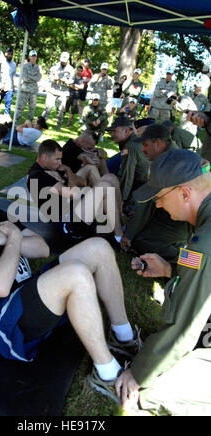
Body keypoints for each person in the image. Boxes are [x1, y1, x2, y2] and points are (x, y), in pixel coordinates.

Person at [0, 155, 141, 403]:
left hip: (27, 293)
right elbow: (0, 287)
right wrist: (13, 238)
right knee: (76, 273)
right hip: (2, 323)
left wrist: (7, 237)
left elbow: (42, 248)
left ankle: (124, 338)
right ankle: (107, 373)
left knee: (98, 246)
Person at [115, 149, 211, 416]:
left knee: (150, 389)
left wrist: (138, 373)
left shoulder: (204, 244)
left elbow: (184, 329)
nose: (157, 205)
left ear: (184, 193)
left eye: (159, 197)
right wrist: (170, 269)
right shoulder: (204, 229)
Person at [27, 139, 124, 242]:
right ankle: (120, 238)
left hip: (74, 208)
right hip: (68, 224)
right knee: (104, 186)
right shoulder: (37, 176)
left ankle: (119, 223)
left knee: (110, 178)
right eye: (57, 159)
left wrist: (68, 174)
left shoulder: (51, 168)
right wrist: (68, 172)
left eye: (60, 159)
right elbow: (74, 194)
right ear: (44, 157)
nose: (60, 162)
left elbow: (83, 182)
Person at [120, 124, 189, 261]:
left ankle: (184, 258)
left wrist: (128, 236)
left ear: (157, 143)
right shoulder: (171, 155)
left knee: (139, 239)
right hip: (178, 217)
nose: (143, 149)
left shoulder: (166, 165)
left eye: (145, 145)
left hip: (185, 222)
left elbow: (147, 205)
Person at [107, 117, 149, 212]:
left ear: (126, 131)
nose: (111, 134)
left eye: (114, 131)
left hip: (139, 190)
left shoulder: (129, 147)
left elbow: (127, 175)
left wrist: (120, 200)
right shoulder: (135, 142)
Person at [42, 52, 75, 130]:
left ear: (67, 60)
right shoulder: (55, 66)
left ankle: (58, 124)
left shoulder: (71, 69)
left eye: (65, 60)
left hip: (63, 91)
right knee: (48, 107)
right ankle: (42, 122)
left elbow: (72, 80)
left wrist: (65, 81)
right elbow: (49, 75)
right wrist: (53, 78)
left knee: (61, 109)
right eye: (62, 60)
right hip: (53, 89)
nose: (63, 62)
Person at [15, 50, 42, 125]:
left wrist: (30, 77)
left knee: (32, 109)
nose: (33, 57)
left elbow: (38, 78)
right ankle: (17, 121)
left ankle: (29, 123)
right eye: (32, 56)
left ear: (36, 57)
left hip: (33, 91)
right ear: (29, 57)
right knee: (20, 107)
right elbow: (24, 78)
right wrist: (33, 77)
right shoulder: (25, 66)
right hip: (25, 90)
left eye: (35, 56)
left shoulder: (38, 67)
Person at [0, 47, 17, 117]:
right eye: (9, 53)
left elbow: (14, 76)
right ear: (5, 54)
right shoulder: (1, 62)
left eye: (11, 54)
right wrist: (1, 84)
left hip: (9, 88)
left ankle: (6, 122)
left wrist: (14, 87)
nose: (10, 55)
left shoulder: (14, 64)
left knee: (8, 106)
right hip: (0, 87)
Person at [79, 58, 92, 123]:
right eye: (85, 62)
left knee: (81, 104)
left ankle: (80, 118)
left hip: (84, 87)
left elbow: (89, 79)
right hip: (77, 87)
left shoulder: (89, 71)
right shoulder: (79, 69)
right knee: (74, 103)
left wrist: (83, 79)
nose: (86, 63)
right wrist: (84, 79)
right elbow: (77, 78)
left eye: (87, 62)